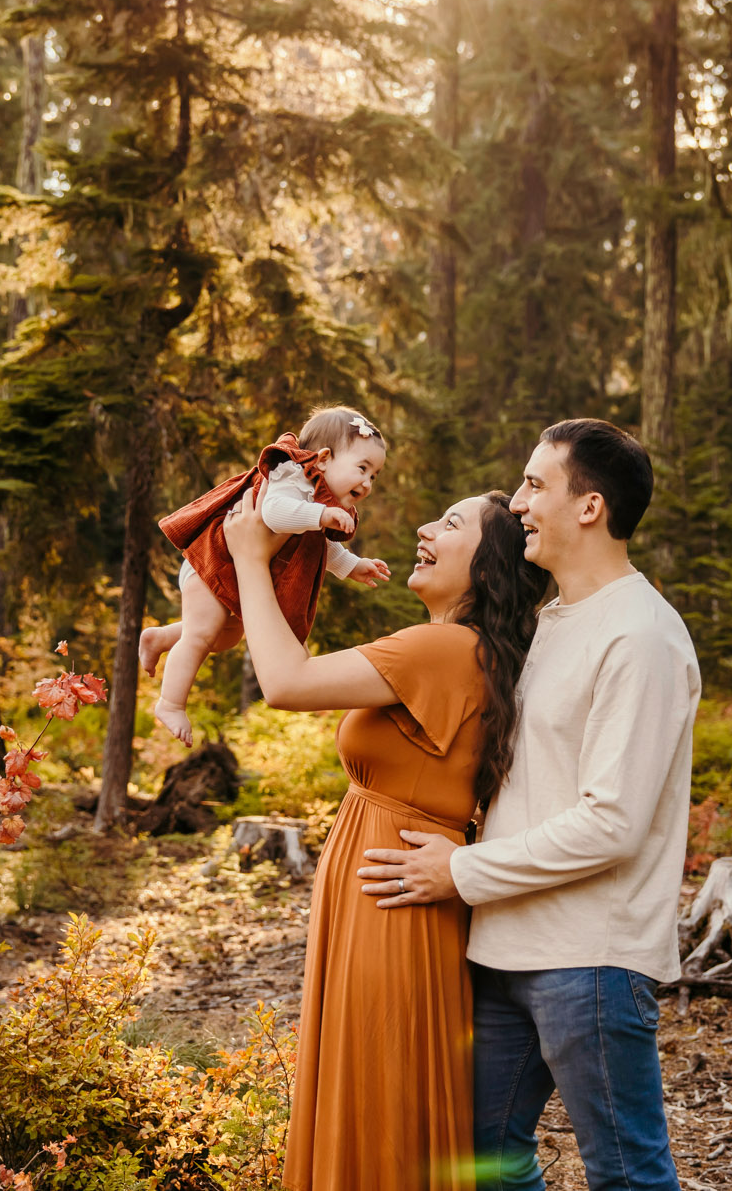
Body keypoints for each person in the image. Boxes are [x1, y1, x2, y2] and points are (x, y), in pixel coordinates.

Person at [356, 418, 700, 1191]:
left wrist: (464, 871)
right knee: (487, 1160)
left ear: (590, 507)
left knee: (627, 1174)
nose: (517, 503)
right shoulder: (549, 623)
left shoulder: (641, 635)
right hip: (504, 948)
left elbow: (612, 822)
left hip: (590, 960)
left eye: (535, 485)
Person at [221, 486, 547, 1191]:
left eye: (452, 523)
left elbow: (283, 681)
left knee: (375, 1089)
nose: (427, 528)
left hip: (389, 894)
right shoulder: (473, 650)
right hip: (397, 887)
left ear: (487, 567)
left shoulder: (440, 646)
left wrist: (250, 558)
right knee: (383, 1088)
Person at [143, 406, 394, 744]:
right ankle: (170, 703)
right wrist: (321, 515)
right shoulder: (290, 474)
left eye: (374, 475)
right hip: (214, 560)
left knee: (226, 637)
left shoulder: (321, 500)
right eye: (362, 468)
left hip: (235, 569)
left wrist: (350, 565)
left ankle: (159, 638)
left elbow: (316, 548)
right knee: (202, 635)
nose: (367, 482)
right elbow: (276, 515)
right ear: (322, 459)